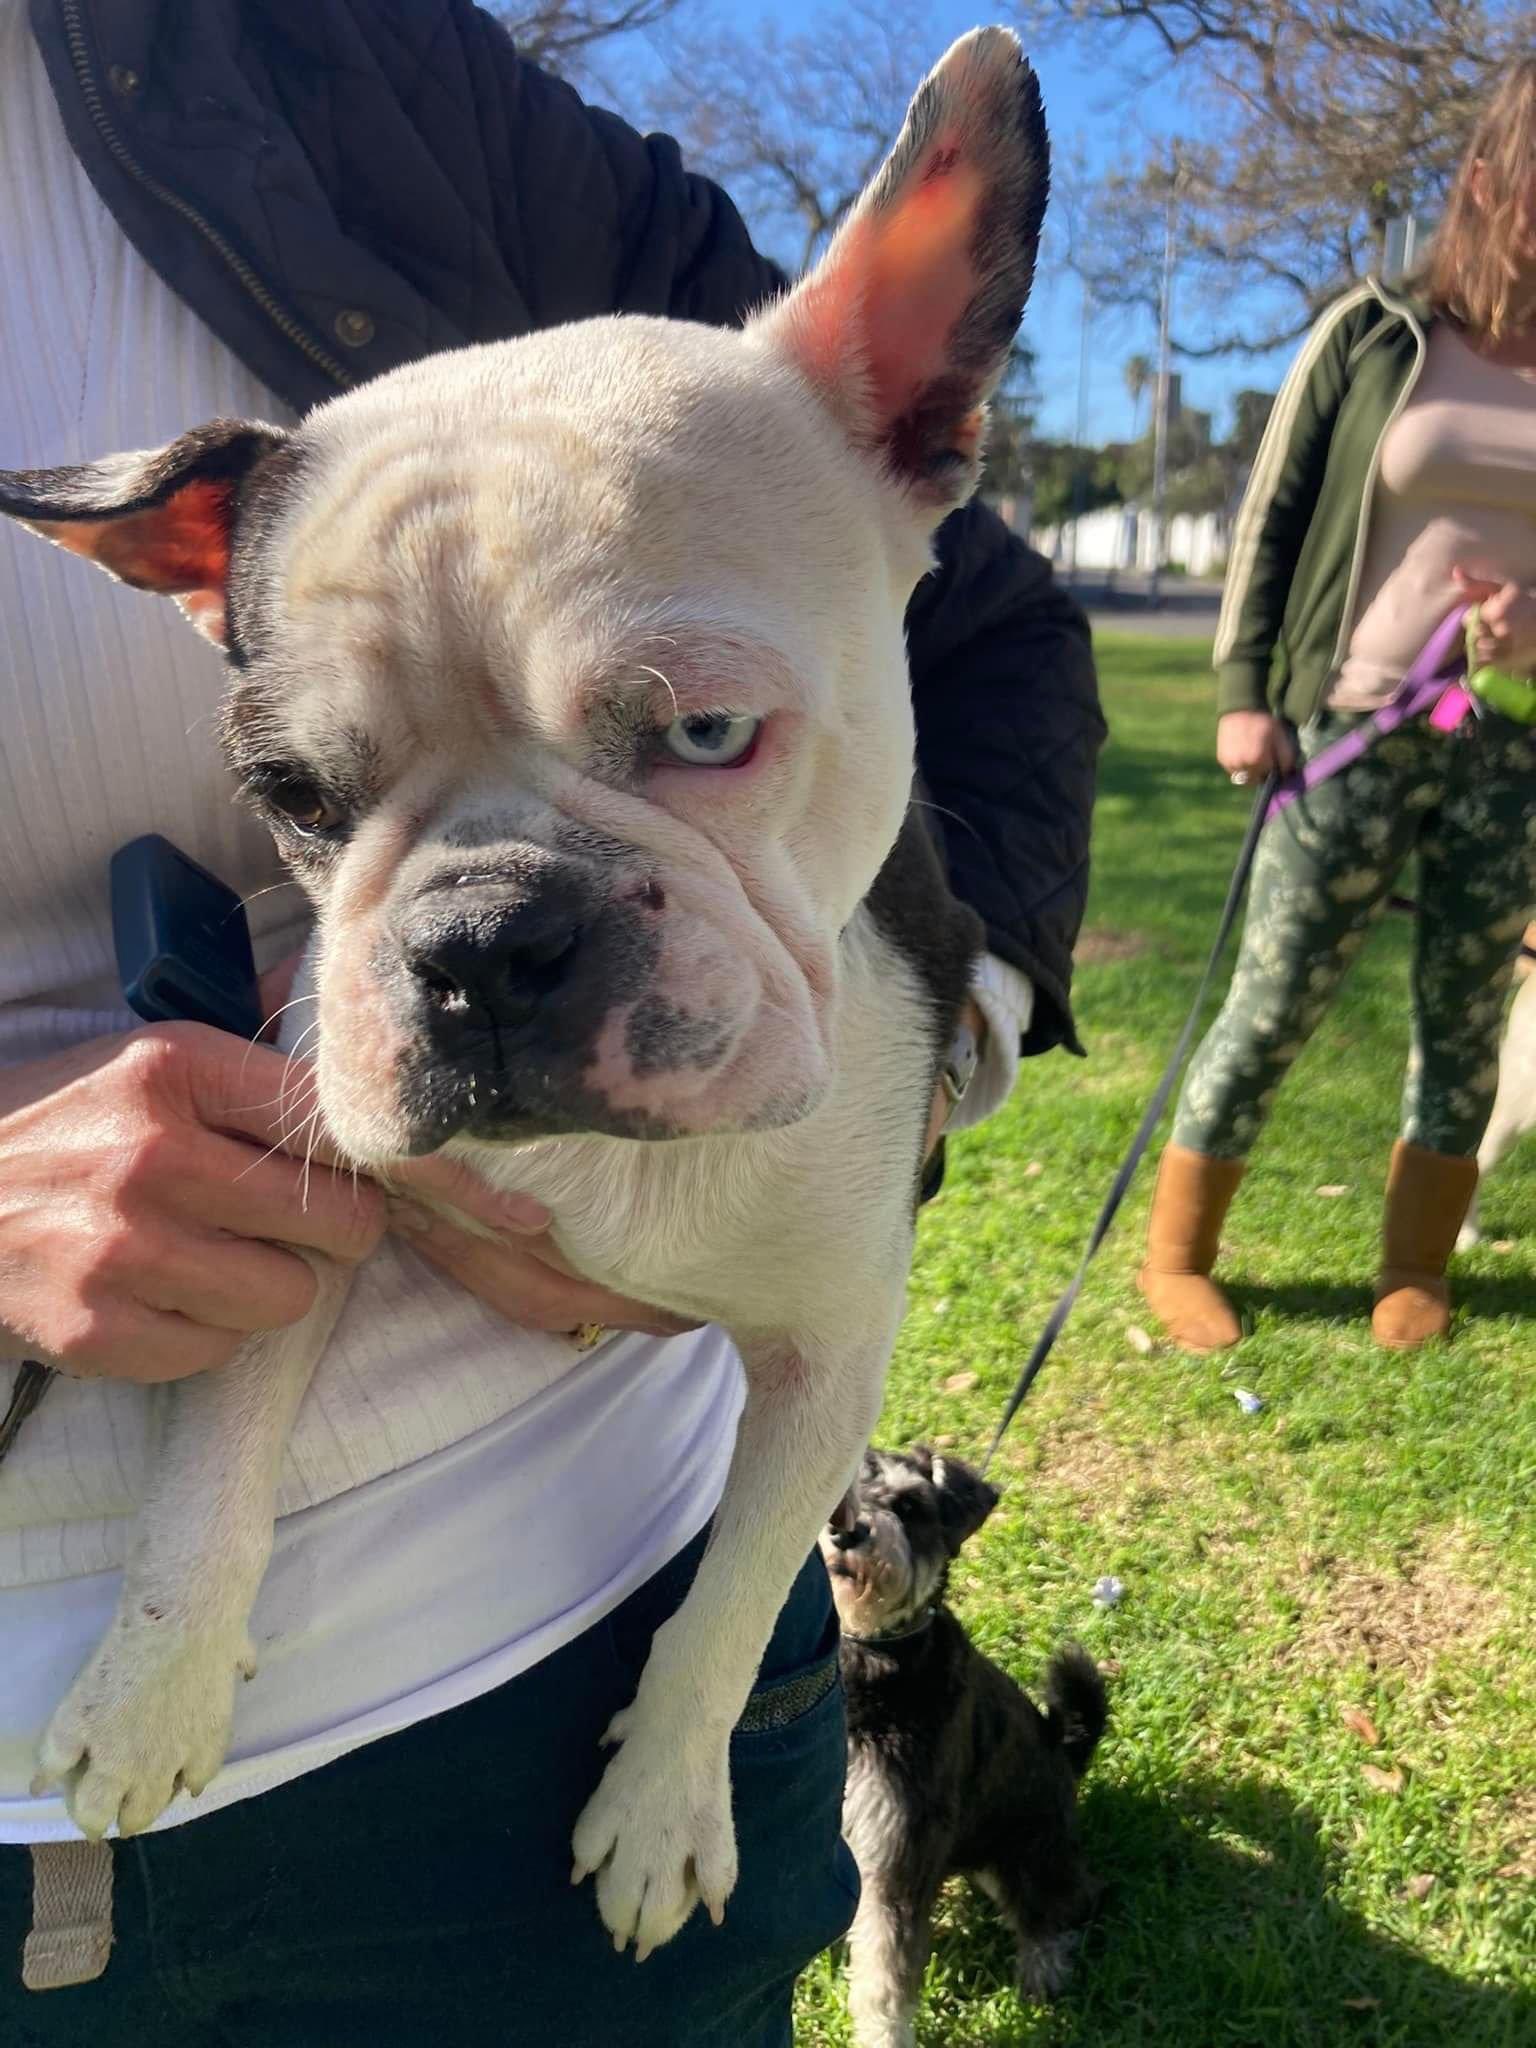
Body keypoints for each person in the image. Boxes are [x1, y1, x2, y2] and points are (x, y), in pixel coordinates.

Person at [0, 3, 1103, 2040]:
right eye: (325, 805)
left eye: (695, 730)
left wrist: (943, 1041)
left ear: (909, 409)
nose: (484, 936)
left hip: (567, 1625)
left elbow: (1009, 651)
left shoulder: (334, 59)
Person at [1138, 54, 1536, 1360]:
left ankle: (1414, 1268)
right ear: (1487, 183)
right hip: (1352, 727)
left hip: (1513, 745)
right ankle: (1176, 1255)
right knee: (1279, 995)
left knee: (1465, 1012)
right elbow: (1277, 510)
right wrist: (1246, 692)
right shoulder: (1376, 331)